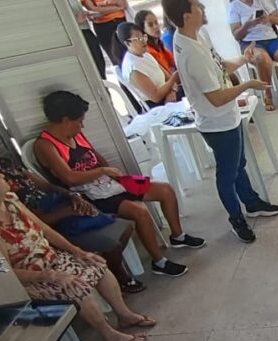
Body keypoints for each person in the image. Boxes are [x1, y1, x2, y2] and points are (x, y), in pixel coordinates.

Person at [0, 158, 153, 341]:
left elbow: (45, 230)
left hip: (52, 260)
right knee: (78, 286)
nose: (1, 175)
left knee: (97, 264)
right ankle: (108, 334)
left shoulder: (10, 201)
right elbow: (8, 273)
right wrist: (50, 276)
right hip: (33, 278)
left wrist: (78, 252)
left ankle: (124, 315)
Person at [161, 0, 278, 244]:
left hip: (227, 116)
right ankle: (236, 218)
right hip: (217, 122)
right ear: (186, 15)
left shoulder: (196, 36)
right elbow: (215, 98)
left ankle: (251, 202)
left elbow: (220, 67)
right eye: (197, 5)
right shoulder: (190, 52)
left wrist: (243, 60)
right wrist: (248, 85)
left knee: (238, 164)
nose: (203, 8)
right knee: (227, 173)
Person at [35, 91, 198, 275]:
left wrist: (114, 176)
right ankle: (159, 262)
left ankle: (178, 236)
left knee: (165, 190)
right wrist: (103, 172)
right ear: (65, 120)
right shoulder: (45, 145)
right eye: (79, 121)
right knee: (139, 211)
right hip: (87, 196)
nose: (82, 125)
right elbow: (69, 178)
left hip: (108, 183)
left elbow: (97, 158)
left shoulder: (75, 134)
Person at [0, 128, 142, 293]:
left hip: (58, 205)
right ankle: (118, 273)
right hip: (53, 222)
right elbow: (34, 223)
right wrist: (67, 212)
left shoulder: (5, 164)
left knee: (125, 227)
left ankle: (111, 264)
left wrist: (71, 196)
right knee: (112, 241)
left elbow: (46, 186)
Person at [112, 21, 180, 108]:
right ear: (128, 43)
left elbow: (168, 78)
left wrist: (172, 91)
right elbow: (155, 97)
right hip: (159, 105)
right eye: (138, 39)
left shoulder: (146, 54)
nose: (144, 41)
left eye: (144, 37)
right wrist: (174, 77)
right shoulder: (133, 68)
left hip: (170, 95)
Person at [135, 10, 176, 76]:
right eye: (150, 25)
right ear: (143, 29)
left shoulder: (159, 44)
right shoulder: (148, 51)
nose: (156, 26)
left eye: (156, 22)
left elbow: (173, 62)